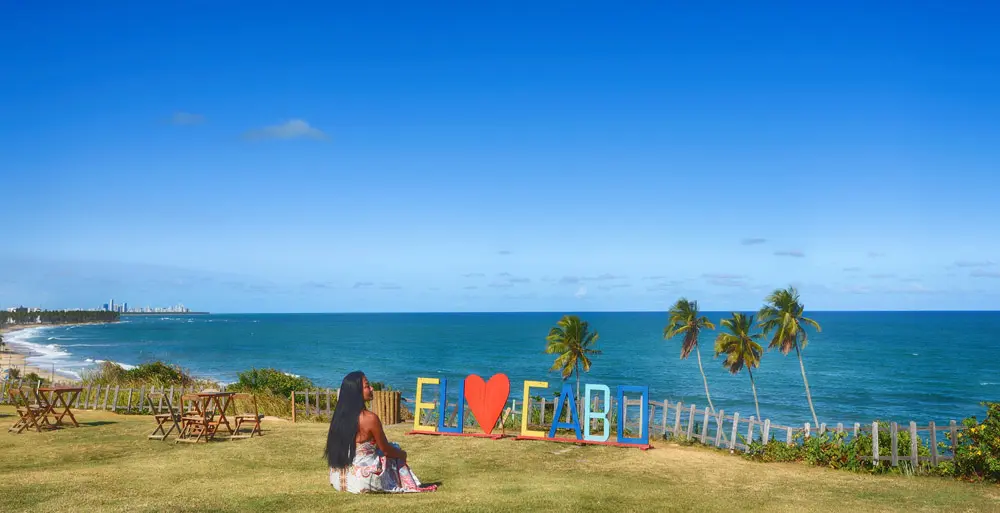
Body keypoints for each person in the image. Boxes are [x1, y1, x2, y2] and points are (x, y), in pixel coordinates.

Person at [325, 371, 437, 493]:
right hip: (362, 481)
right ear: (356, 392)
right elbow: (386, 450)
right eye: (367, 386)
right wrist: (403, 454)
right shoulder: (369, 418)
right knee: (395, 451)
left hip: (338, 479)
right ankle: (409, 484)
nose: (372, 388)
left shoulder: (339, 417)